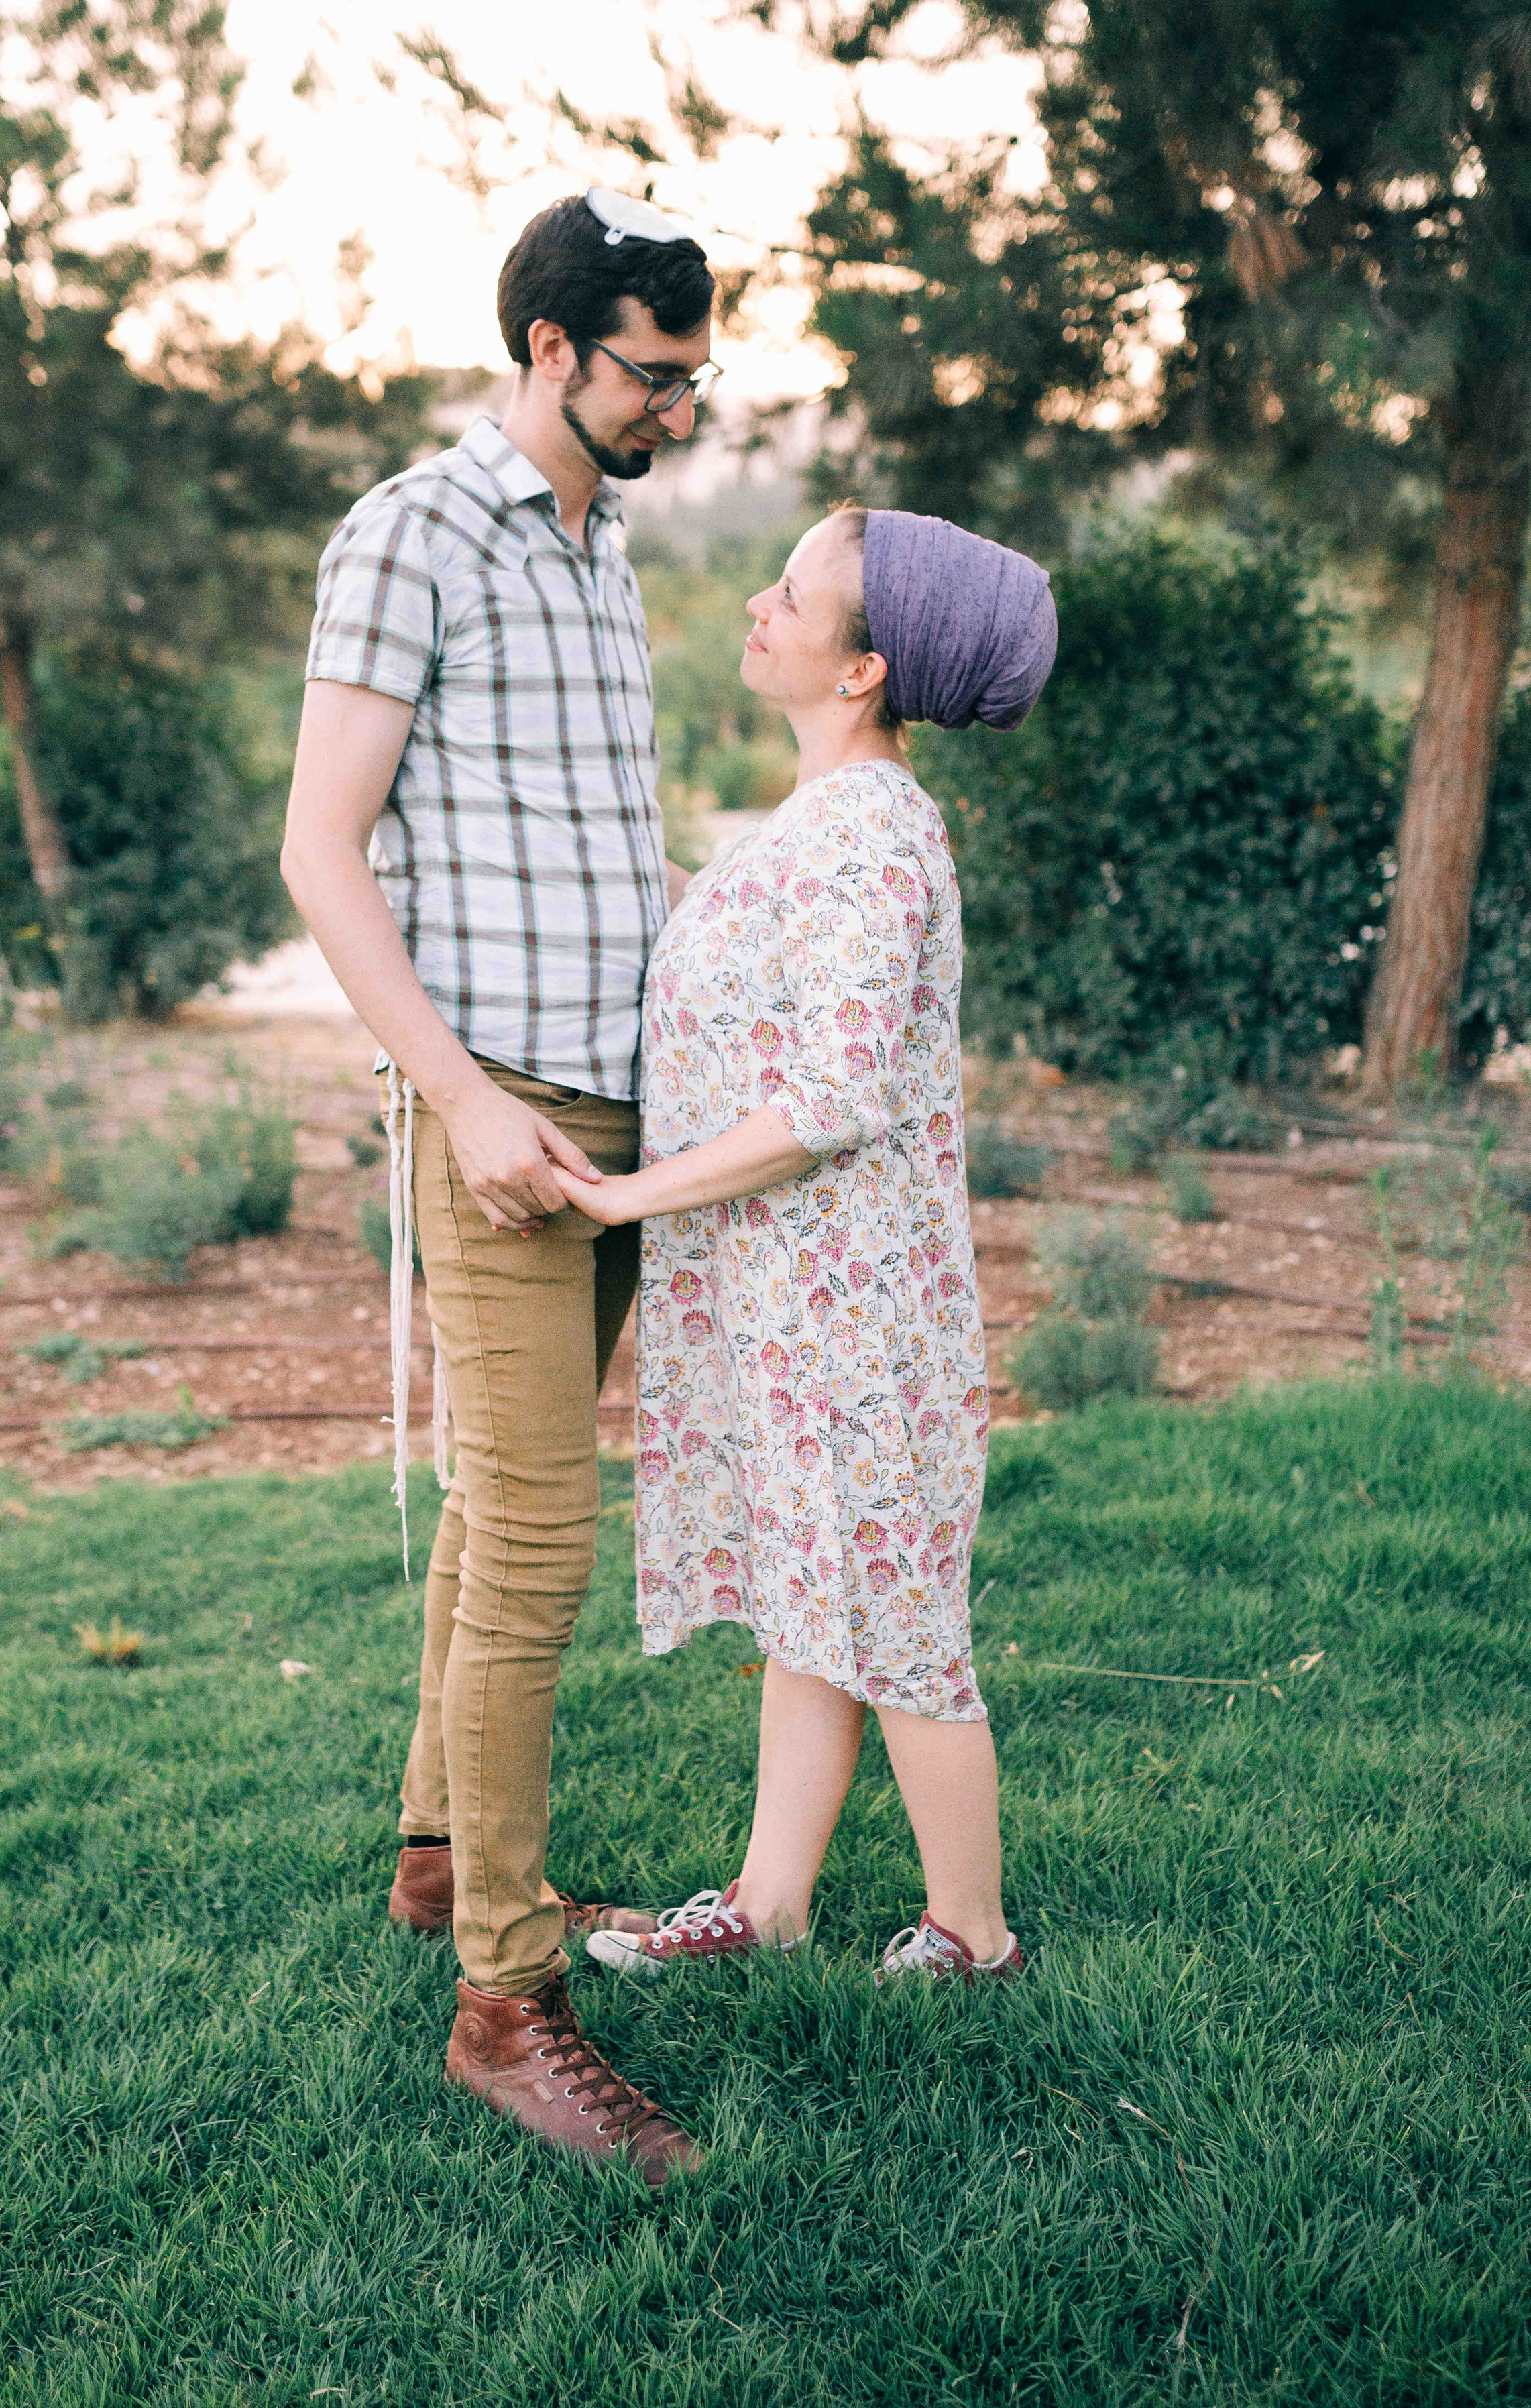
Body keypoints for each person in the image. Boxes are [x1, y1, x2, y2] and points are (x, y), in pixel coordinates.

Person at [282, 188, 720, 2186]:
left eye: (695, 379)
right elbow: (321, 849)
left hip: (628, 1114)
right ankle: (504, 2003)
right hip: (506, 1116)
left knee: (496, 1507)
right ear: (550, 346)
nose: (676, 410)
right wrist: (457, 1100)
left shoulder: (600, 543)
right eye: (651, 374)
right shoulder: (411, 533)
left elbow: (597, 840)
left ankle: (438, 1857)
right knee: (542, 1544)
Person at [547, 503, 1056, 1988]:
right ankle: (768, 1903)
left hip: (854, 1313)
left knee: (897, 1619)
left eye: (791, 595)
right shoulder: (820, 821)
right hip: (790, 1301)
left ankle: (973, 1932)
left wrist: (628, 1199)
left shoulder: (873, 834)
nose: (758, 607)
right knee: (809, 1600)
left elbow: (831, 1099)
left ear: (860, 671)